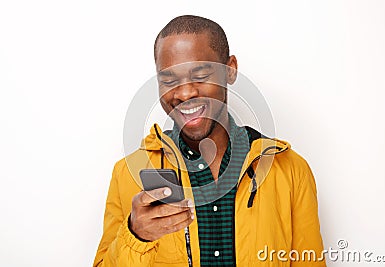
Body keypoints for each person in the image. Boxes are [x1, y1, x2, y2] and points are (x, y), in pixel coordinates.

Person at [94, 15, 326, 267]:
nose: (184, 93)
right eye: (169, 81)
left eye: (201, 74)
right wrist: (136, 236)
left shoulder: (291, 171)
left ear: (230, 69)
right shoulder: (127, 174)